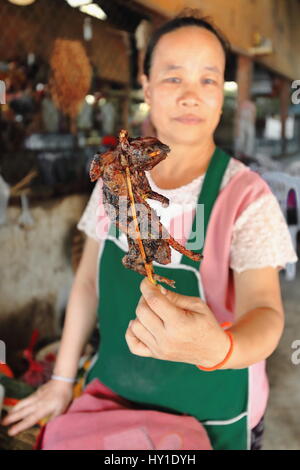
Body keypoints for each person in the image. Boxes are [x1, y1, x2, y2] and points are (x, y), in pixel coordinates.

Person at [1, 13, 298, 450]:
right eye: (174, 78)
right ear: (147, 86)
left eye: (208, 80)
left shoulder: (244, 197)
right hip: (117, 399)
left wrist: (220, 350)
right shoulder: (116, 180)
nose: (191, 96)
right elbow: (87, 283)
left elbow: (267, 314)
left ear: (221, 96)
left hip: (215, 415)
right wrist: (63, 380)